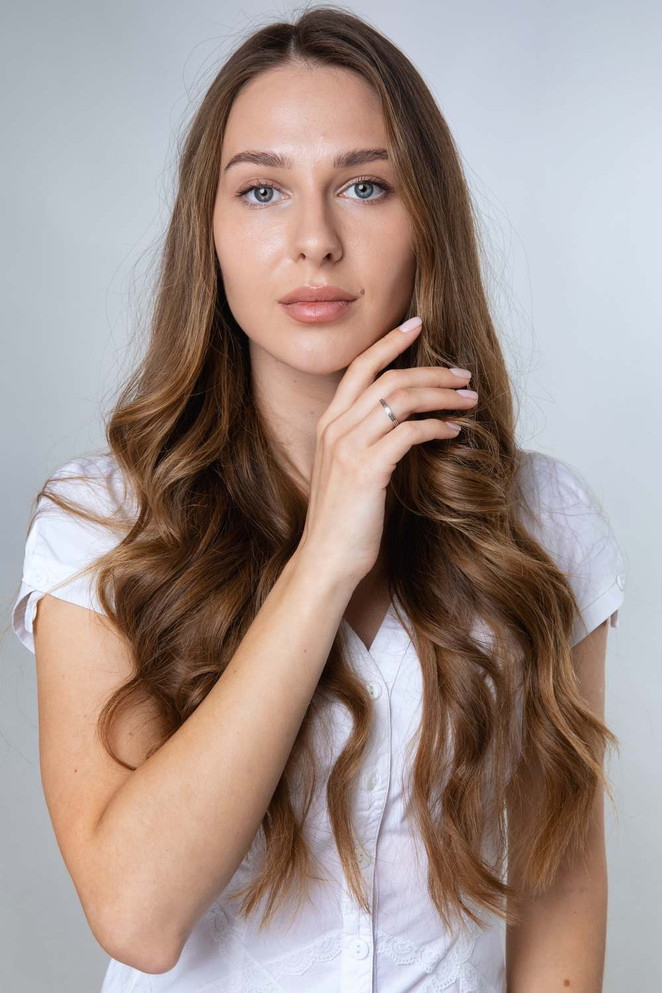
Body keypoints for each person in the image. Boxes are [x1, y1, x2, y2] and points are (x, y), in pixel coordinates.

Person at [11, 7, 627, 992]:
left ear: (425, 217)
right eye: (261, 190)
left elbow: (558, 877)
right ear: (206, 233)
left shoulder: (541, 520)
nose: (313, 240)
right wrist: (326, 555)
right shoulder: (101, 525)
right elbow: (135, 914)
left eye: (364, 186)